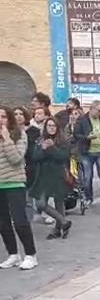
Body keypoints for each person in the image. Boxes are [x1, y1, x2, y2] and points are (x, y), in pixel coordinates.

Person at [0, 107, 37, 270]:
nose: (1, 120)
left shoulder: (19, 135)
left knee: (20, 220)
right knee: (3, 223)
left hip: (15, 182)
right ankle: (13, 254)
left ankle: (31, 255)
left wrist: (6, 138)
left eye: (3, 117)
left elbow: (16, 158)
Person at [31, 118, 72, 239]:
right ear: (46, 127)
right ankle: (64, 222)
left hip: (58, 175)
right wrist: (43, 148)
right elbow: (35, 158)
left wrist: (52, 147)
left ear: (58, 127)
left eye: (54, 126)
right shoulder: (40, 140)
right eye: (49, 126)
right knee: (40, 204)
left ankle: (57, 230)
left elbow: (62, 157)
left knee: (59, 202)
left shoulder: (63, 141)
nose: (51, 128)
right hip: (43, 176)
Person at [73, 100, 100, 209]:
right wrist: (87, 137)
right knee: (87, 177)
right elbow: (76, 134)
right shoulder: (82, 120)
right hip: (87, 151)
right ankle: (89, 198)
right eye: (99, 111)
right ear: (92, 108)